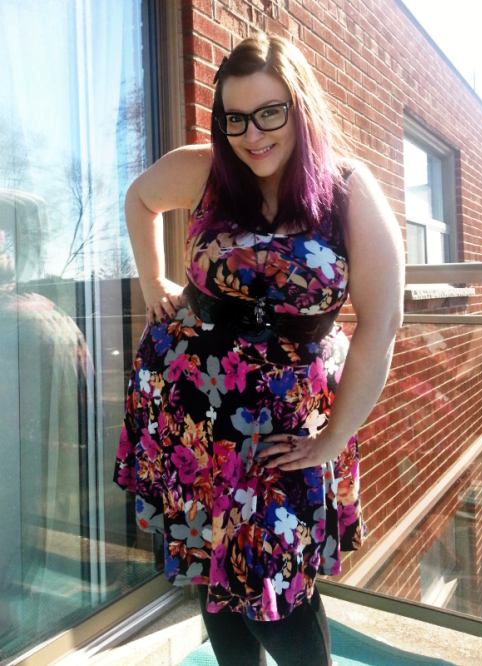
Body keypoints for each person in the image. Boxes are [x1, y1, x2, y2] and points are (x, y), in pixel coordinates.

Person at [114, 33, 404, 666]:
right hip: (191, 411)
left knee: (284, 592)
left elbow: (382, 323)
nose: (253, 134)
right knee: (213, 574)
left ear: (301, 106)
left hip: (285, 430)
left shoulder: (347, 190)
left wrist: (331, 439)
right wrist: (152, 279)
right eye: (235, 118)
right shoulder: (208, 172)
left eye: (270, 112)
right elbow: (139, 197)